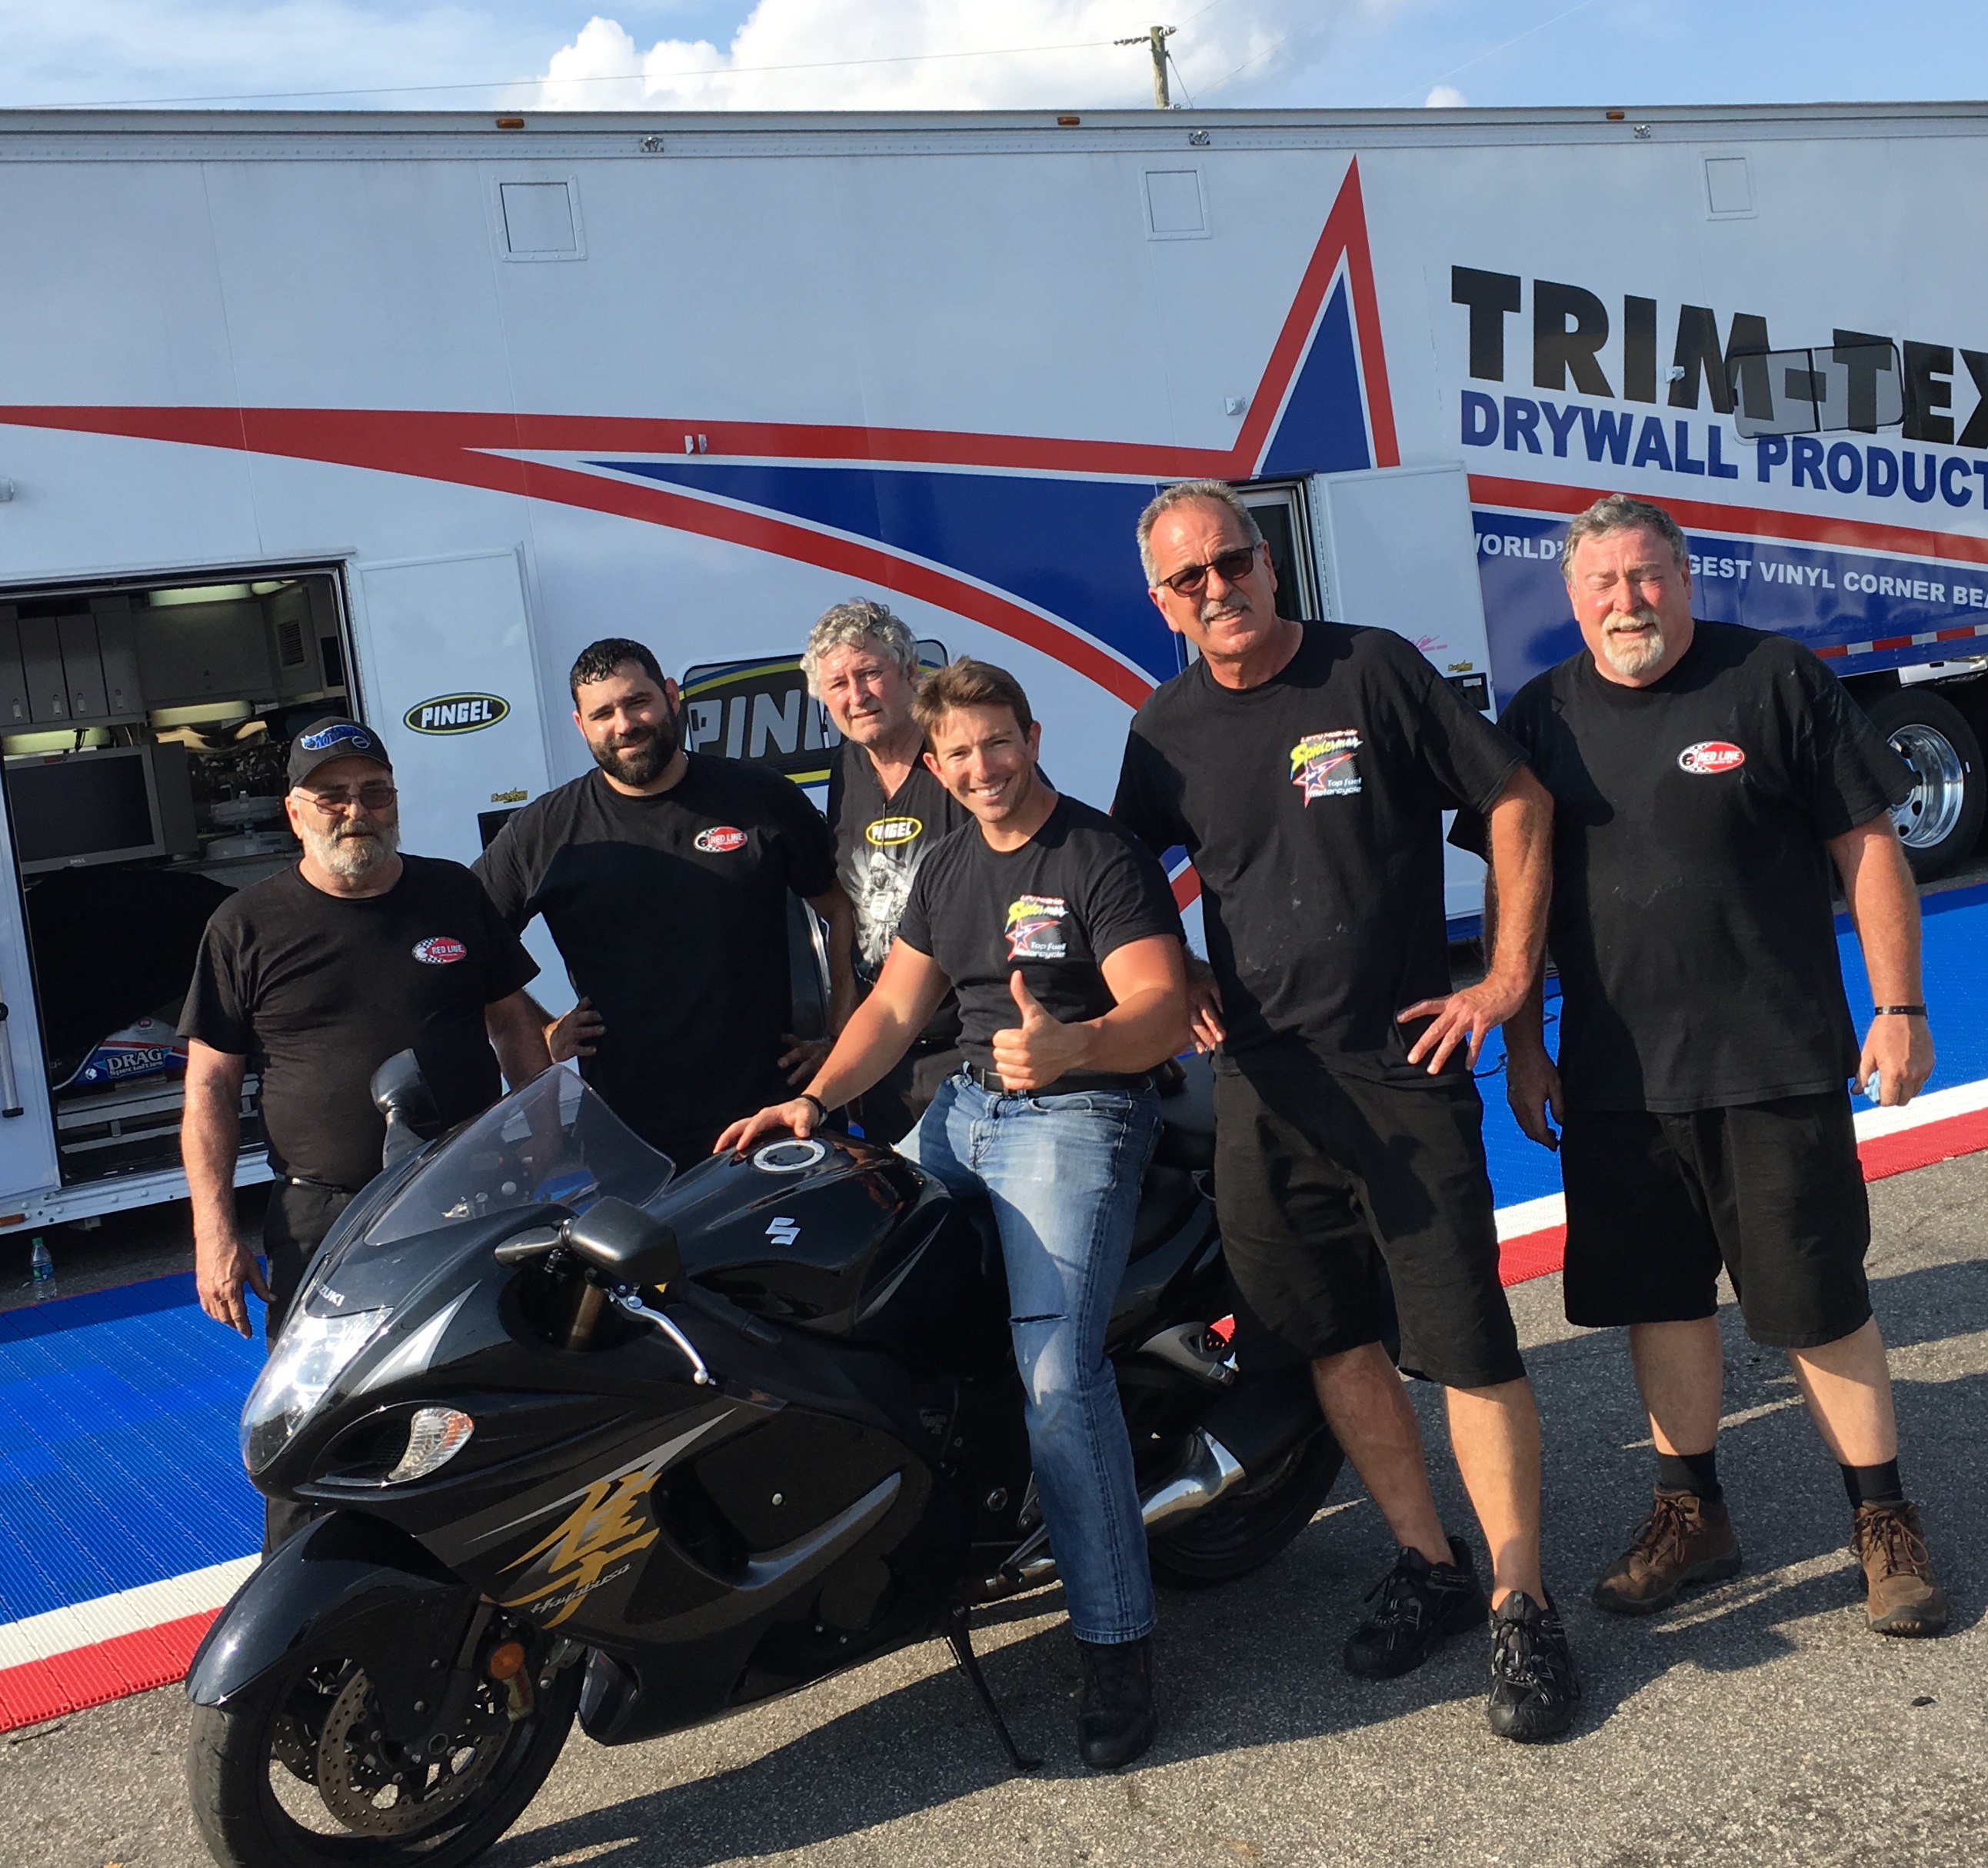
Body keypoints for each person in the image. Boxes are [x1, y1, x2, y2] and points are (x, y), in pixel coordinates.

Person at [1112, 478, 1579, 1743]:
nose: (1219, 588)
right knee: (1328, 1340)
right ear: (1161, 602)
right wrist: (1177, 967)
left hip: (1403, 1066)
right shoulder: (1161, 732)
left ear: (1270, 562)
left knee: (1469, 1342)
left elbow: (1517, 802)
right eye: (1189, 577)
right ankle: (1430, 1562)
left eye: (1234, 560)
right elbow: (1116, 879)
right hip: (1266, 1091)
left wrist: (1503, 978)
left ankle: (1520, 1597)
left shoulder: (1368, 670)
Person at [1477, 491, 1947, 1637]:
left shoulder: (1775, 679)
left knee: (1816, 1304)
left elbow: (1868, 845)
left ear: (1684, 580)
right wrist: (1527, 1044)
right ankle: (1692, 1512)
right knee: (1660, 1302)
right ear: (1570, 596)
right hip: (1614, 1078)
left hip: (1771, 1060)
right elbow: (1512, 889)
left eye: (1647, 577)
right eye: (1604, 583)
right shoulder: (1539, 716)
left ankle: (1883, 1521)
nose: (1627, 601)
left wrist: (1898, 1005)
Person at [719, 657, 1190, 1771]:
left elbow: (1162, 1009)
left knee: (1057, 1378)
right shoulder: (942, 862)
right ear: (933, 765)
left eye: (997, 742)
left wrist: (1077, 1045)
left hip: (1079, 1118)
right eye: (959, 753)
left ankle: (1116, 1640)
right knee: (847, 1285)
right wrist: (815, 1101)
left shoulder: (1096, 855)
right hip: (964, 1108)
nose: (981, 768)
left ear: (1031, 735)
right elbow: (893, 1003)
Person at [180, 716, 551, 1549]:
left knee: (476, 1393)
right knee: (313, 1414)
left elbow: (513, 1025)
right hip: (325, 1217)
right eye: (334, 795)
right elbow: (209, 1081)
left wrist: (544, 1140)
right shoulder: (246, 925)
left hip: (465, 1198)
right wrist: (213, 1228)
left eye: (374, 791)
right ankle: (307, 1595)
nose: (358, 810)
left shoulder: (454, 892)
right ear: (295, 811)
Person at [475, 638, 855, 1167]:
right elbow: (471, 948)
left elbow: (840, 909)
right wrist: (543, 1031)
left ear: (671, 696)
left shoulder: (759, 796)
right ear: (580, 725)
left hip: (771, 1121)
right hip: (628, 1143)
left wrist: (839, 1037)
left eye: (637, 702)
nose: (624, 723)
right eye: (602, 713)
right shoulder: (545, 830)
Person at [807, 598, 968, 1141]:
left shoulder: (959, 753)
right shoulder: (846, 768)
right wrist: (841, 1032)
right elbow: (848, 910)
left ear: (909, 671)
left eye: (870, 672)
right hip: (886, 1059)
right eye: (837, 684)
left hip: (971, 1048)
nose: (856, 697)